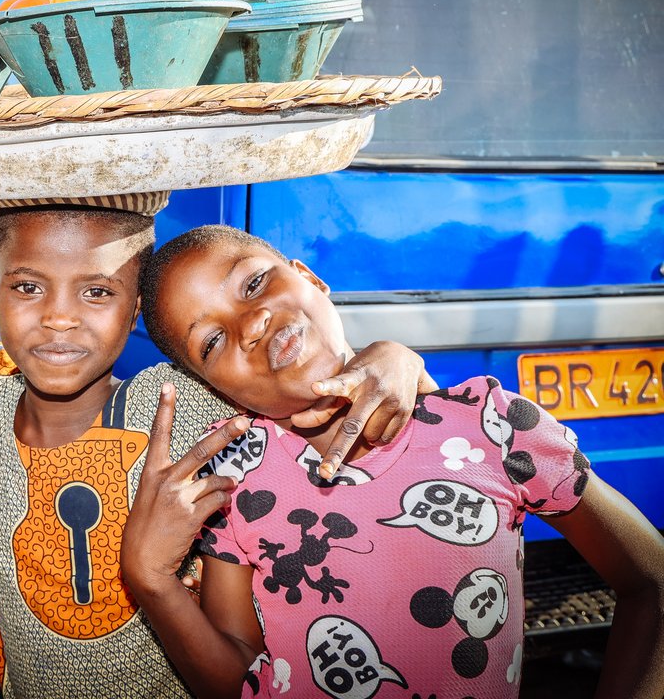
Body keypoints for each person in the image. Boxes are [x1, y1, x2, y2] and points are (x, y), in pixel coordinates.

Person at [0, 195, 433, 697]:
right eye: (28, 287)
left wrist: (394, 356)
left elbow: (307, 379)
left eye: (96, 292)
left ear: (136, 313)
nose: (58, 318)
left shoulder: (183, 404)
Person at [121, 224, 664, 699]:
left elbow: (652, 580)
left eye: (254, 283)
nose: (252, 322)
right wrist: (152, 582)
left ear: (309, 277)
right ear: (213, 387)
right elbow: (237, 679)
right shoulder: (233, 477)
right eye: (213, 340)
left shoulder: (489, 425)